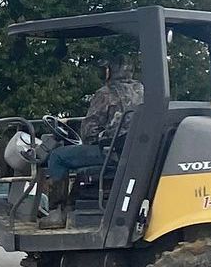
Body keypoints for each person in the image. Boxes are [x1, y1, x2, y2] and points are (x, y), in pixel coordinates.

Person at [43, 60, 143, 211]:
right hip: (135, 150)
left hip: (112, 152)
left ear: (110, 71)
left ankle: (57, 210)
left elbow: (89, 133)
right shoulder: (142, 89)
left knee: (57, 156)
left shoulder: (106, 93)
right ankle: (73, 201)